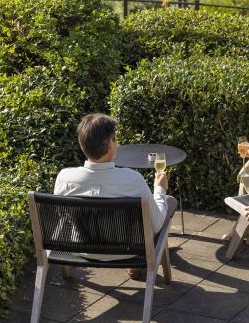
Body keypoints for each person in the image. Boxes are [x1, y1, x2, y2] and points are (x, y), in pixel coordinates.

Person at [54, 113, 176, 279]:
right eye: (116, 139)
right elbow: (156, 225)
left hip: (81, 250)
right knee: (169, 202)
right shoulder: (133, 180)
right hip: (127, 252)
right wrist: (160, 189)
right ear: (111, 143)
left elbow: (64, 216)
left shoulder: (64, 177)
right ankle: (135, 266)